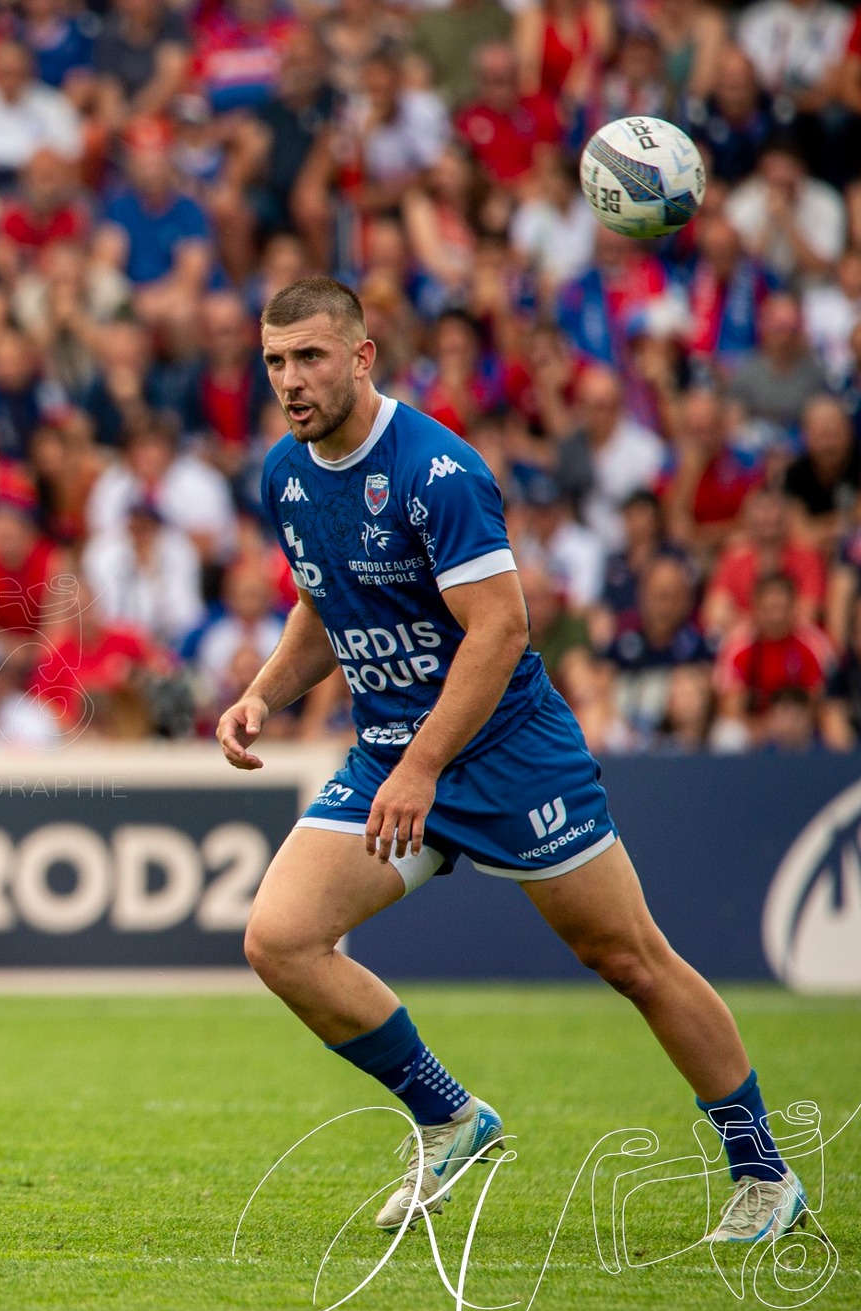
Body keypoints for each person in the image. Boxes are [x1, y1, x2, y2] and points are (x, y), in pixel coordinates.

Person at [220, 276, 807, 1245]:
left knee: (628, 959)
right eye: (275, 360)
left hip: (505, 752)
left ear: (362, 357)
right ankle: (449, 1116)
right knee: (278, 940)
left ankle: (762, 1171)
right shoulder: (285, 472)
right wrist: (260, 694)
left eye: (310, 356)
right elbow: (322, 606)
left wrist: (421, 767)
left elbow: (499, 630)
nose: (290, 379)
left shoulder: (436, 470)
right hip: (391, 752)